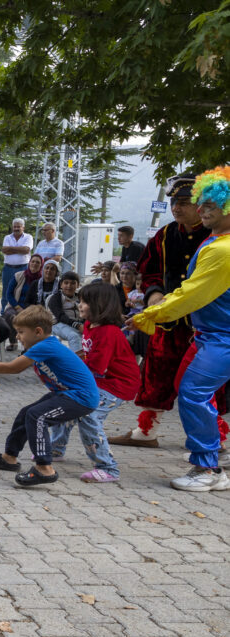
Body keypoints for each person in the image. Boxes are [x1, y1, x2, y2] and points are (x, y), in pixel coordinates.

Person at [130, 166, 230, 490]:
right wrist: (154, 300)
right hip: (205, 335)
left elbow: (192, 293)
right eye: (200, 204)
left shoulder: (221, 249)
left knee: (193, 392)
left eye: (209, 206)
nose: (200, 210)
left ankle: (208, 469)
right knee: (182, 384)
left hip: (221, 337)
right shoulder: (211, 240)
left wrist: (151, 315)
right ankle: (211, 455)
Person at [109, 174, 224, 448]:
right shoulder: (165, 234)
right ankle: (146, 432)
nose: (176, 208)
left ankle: (216, 441)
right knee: (156, 373)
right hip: (168, 319)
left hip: (206, 323)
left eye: (183, 202)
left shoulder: (217, 235)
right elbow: (148, 270)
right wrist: (154, 293)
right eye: (174, 202)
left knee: (202, 383)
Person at [0, 306, 98, 486]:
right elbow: (11, 363)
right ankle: (9, 457)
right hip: (67, 393)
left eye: (21, 332)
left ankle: (44, 468)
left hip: (81, 397)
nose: (17, 336)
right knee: (27, 413)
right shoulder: (42, 345)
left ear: (38, 332)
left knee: (37, 416)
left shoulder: (45, 346)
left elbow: (13, 368)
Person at [49, 283, 139, 483]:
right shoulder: (90, 325)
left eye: (85, 302)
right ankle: (55, 449)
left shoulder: (108, 332)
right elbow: (88, 357)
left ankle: (107, 468)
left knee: (88, 414)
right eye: (80, 300)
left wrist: (66, 372)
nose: (80, 305)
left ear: (100, 305)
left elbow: (96, 367)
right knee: (67, 402)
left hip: (117, 385)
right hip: (100, 381)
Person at [2, 254, 43, 349]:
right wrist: (17, 307)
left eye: (38, 262)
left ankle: (27, 346)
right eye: (33, 261)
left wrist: (28, 310)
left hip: (32, 309)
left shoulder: (42, 280)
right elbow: (9, 294)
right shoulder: (19, 275)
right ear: (29, 263)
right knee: (11, 316)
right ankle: (13, 342)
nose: (34, 264)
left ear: (41, 265)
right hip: (15, 306)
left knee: (30, 321)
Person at [0, 218, 34, 311]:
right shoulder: (7, 237)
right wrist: (19, 249)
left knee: (22, 290)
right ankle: (4, 311)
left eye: (18, 226)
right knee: (6, 290)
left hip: (23, 268)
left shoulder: (28, 237)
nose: (16, 228)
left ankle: (21, 311)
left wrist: (11, 249)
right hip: (8, 268)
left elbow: (26, 250)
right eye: (14, 226)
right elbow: (4, 250)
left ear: (23, 227)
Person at [47, 271, 83, 352]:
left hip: (77, 324)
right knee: (74, 336)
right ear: (61, 285)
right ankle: (76, 362)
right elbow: (60, 316)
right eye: (66, 283)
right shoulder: (55, 298)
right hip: (58, 325)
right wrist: (78, 326)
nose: (69, 286)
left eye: (73, 283)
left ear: (78, 285)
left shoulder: (80, 297)